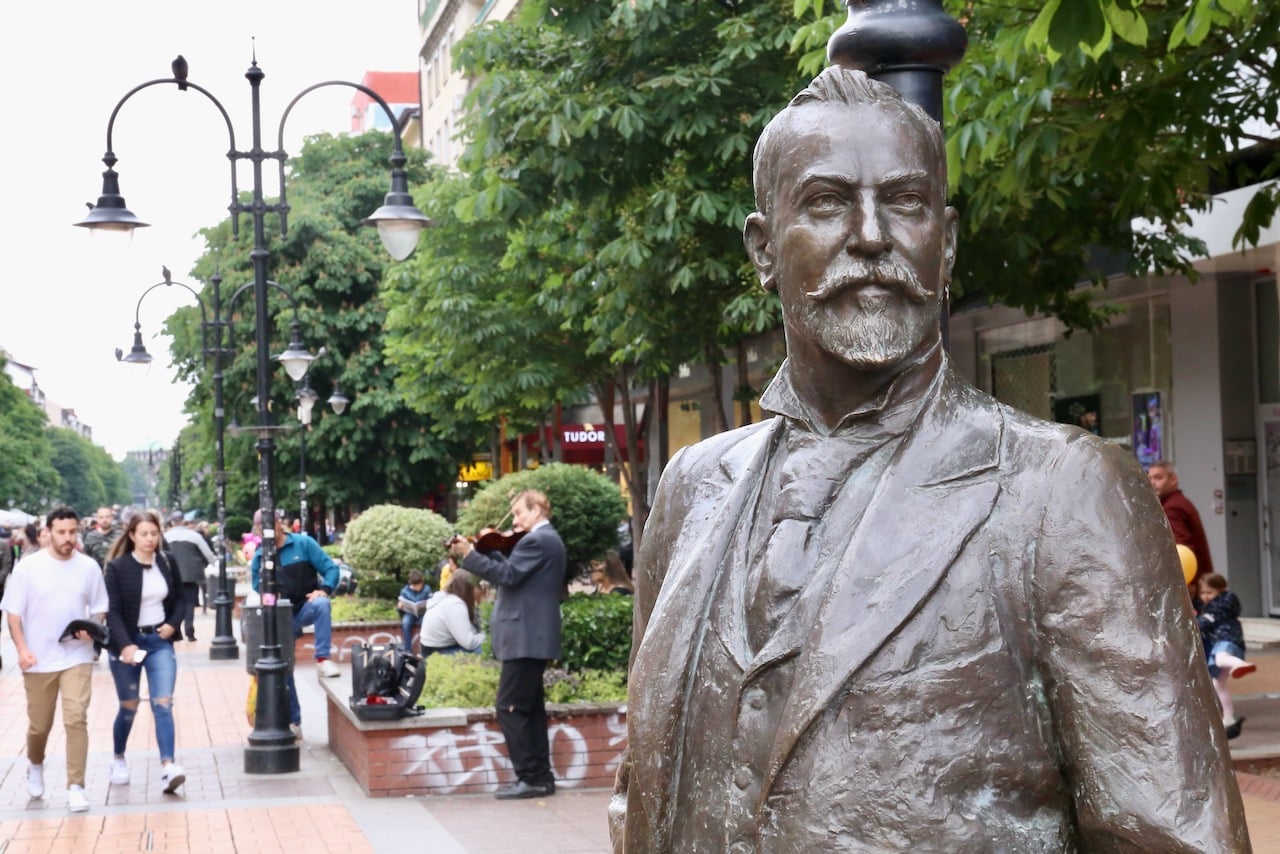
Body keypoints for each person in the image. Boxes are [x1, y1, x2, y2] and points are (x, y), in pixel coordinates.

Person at [610, 67, 1246, 851]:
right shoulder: (692, 489)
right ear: (763, 248)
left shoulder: (1064, 490)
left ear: (945, 246)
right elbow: (644, 790)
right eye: (827, 202)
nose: (871, 236)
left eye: (905, 203)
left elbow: (1170, 832)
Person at [450, 489, 565, 800]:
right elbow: (514, 571)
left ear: (536, 510)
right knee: (531, 708)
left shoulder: (537, 540)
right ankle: (541, 777)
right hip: (531, 636)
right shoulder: (544, 540)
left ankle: (530, 777)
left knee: (509, 706)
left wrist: (470, 554)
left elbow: (508, 575)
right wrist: (487, 552)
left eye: (519, 513)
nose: (514, 521)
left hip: (526, 636)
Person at [1, 506, 108, 814]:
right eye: (61, 532)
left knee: (76, 718)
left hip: (76, 655)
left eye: (72, 532)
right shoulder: (29, 568)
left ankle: (76, 786)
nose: (67, 538)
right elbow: (13, 614)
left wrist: (92, 627)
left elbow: (99, 607)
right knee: (39, 726)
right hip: (38, 659)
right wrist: (22, 649)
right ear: (47, 533)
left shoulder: (88, 567)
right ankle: (35, 764)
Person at [103, 510, 187, 793]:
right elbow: (112, 611)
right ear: (132, 536)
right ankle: (118, 757)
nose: (150, 539)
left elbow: (181, 599)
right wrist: (125, 644)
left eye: (154, 533)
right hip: (127, 642)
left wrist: (173, 624)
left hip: (158, 641)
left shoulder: (166, 561)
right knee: (129, 705)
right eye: (144, 534)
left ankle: (168, 765)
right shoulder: (117, 568)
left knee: (163, 702)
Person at [249, 508, 342, 738]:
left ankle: (322, 659)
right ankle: (294, 720)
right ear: (257, 530)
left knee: (322, 604)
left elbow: (330, 568)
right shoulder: (260, 557)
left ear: (279, 523)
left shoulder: (303, 544)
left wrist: (324, 589)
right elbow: (257, 588)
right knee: (284, 667)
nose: (266, 530)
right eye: (261, 527)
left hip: (305, 606)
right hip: (281, 617)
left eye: (269, 525)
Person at [1196, 572, 1255, 740]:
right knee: (1217, 683)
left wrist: (1194, 622)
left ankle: (1240, 664)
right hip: (1223, 641)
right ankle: (1228, 716)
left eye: (1209, 592)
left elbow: (1206, 622)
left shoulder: (1223, 603)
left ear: (1220, 590)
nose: (1205, 596)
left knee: (1220, 658)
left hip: (1227, 640)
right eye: (1203, 592)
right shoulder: (1211, 604)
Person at [1148, 459, 1214, 592]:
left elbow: (1181, 547)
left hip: (1189, 585)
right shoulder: (1179, 502)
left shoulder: (1172, 508)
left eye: (1158, 478)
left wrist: (1185, 583)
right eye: (1150, 478)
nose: (1153, 483)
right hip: (1196, 582)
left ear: (1173, 479)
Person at [163, 512, 215, 641]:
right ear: (184, 521)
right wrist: (213, 564)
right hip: (192, 575)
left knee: (174, 602)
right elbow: (208, 554)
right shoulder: (194, 536)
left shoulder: (165, 537)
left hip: (172, 576)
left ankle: (176, 629)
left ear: (172, 522)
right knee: (189, 603)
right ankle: (189, 629)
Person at [418, 570, 484, 655]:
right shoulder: (454, 605)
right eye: (478, 586)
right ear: (467, 588)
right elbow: (469, 643)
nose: (481, 590)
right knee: (487, 649)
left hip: (433, 648)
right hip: (439, 650)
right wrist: (490, 637)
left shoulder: (448, 599)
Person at [396, 569, 433, 649]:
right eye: (415, 586)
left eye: (419, 585)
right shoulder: (404, 591)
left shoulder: (427, 589)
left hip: (423, 613)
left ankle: (426, 649)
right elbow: (401, 613)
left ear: (422, 582)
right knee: (405, 623)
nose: (417, 587)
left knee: (425, 624)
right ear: (410, 583)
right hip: (410, 613)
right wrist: (400, 608)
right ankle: (408, 650)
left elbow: (432, 604)